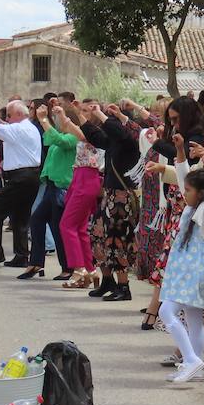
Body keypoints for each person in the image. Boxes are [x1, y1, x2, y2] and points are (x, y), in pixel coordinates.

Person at [157, 148, 204, 385]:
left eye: (188, 190)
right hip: (185, 273)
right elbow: (182, 175)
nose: (183, 193)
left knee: (166, 312)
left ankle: (190, 359)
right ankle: (194, 364)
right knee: (193, 319)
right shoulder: (190, 208)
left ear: (201, 193)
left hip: (193, 273)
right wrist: (178, 151)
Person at [135, 98, 192, 325]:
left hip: (185, 204)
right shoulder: (175, 133)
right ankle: (161, 306)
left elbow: (188, 169)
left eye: (174, 118)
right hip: (171, 201)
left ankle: (158, 306)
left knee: (168, 258)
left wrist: (162, 147)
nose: (171, 122)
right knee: (166, 257)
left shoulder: (192, 136)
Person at [83, 100, 143, 301]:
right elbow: (94, 136)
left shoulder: (130, 141)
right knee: (98, 235)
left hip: (122, 197)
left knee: (117, 240)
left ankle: (124, 286)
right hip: (109, 195)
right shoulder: (114, 141)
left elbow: (117, 131)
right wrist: (79, 114)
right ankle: (108, 279)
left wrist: (102, 114)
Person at [0, 100, 42, 268]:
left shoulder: (19, 128)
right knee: (20, 217)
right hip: (30, 176)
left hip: (21, 177)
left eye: (9, 116)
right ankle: (21, 255)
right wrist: (2, 122)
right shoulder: (29, 127)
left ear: (18, 115)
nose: (8, 119)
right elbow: (6, 128)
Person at [22, 101, 76, 281]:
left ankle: (67, 267)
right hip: (52, 186)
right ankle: (36, 261)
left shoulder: (74, 137)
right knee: (37, 220)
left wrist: (44, 119)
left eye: (59, 117)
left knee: (58, 227)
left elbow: (60, 141)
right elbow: (49, 139)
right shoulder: (59, 133)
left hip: (62, 187)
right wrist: (45, 120)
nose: (56, 120)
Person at [53, 101, 104, 289]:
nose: (81, 114)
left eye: (86, 111)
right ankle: (89, 269)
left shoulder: (94, 134)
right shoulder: (87, 132)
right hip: (80, 177)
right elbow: (68, 126)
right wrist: (61, 113)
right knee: (79, 227)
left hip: (87, 178)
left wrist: (67, 113)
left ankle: (78, 269)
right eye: (81, 110)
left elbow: (76, 131)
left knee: (67, 225)